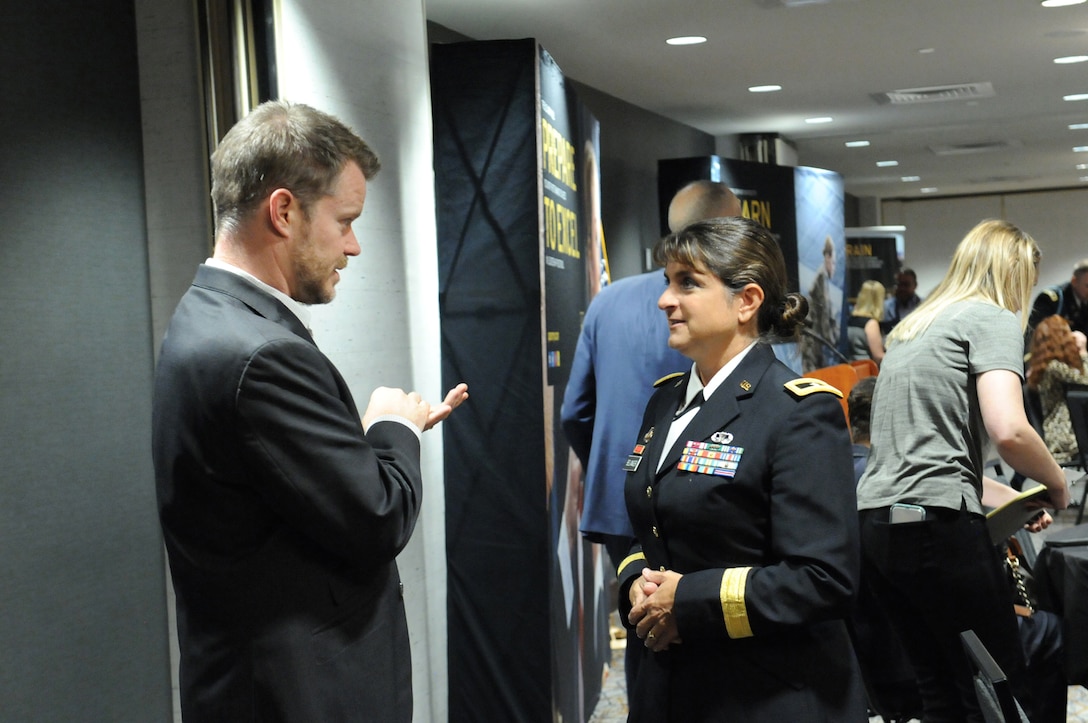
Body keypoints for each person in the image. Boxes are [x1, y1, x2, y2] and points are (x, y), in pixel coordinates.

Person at [151, 100, 469, 721]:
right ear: (284, 210)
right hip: (297, 695)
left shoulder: (208, 316)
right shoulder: (262, 352)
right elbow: (378, 518)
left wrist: (349, 448)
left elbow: (264, 482)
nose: (353, 246)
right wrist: (391, 428)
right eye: (345, 221)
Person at [618, 216, 865, 721]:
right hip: (671, 685)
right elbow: (652, 529)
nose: (666, 299)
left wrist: (686, 601)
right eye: (668, 282)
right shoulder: (665, 401)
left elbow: (823, 577)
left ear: (746, 301)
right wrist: (636, 587)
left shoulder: (798, 410)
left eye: (688, 282)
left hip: (766, 692)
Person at [856, 218, 1070, 722]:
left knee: (940, 687)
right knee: (998, 687)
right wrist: (1056, 484)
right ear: (1014, 273)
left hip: (878, 528)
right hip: (936, 531)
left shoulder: (913, 330)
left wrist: (1020, 500)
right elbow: (1010, 430)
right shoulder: (989, 317)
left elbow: (930, 467)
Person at [560, 179, 741, 694]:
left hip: (622, 506)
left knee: (644, 623)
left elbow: (576, 410)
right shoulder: (727, 306)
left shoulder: (608, 301)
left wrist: (618, 469)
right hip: (710, 502)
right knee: (705, 633)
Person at [1027, 314, 1088, 464]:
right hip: (1066, 437)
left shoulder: (1048, 366)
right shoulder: (1054, 368)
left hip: (1067, 432)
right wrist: (1083, 351)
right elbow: (1085, 382)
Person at [801, 235, 839, 371]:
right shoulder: (822, 279)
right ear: (827, 258)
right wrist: (833, 339)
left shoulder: (820, 276)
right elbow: (825, 314)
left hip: (814, 338)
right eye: (833, 263)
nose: (834, 268)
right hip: (813, 339)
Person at [1027, 258, 1088, 340]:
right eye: (1087, 286)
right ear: (1074, 281)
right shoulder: (1050, 299)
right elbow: (1034, 335)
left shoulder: (1084, 300)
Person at [847, 279, 885, 364]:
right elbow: (878, 356)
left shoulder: (849, 319)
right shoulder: (871, 324)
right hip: (867, 371)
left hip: (850, 368)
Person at [881, 268, 923, 333]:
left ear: (915, 285)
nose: (902, 288)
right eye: (899, 284)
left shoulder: (924, 305)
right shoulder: (886, 306)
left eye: (906, 284)